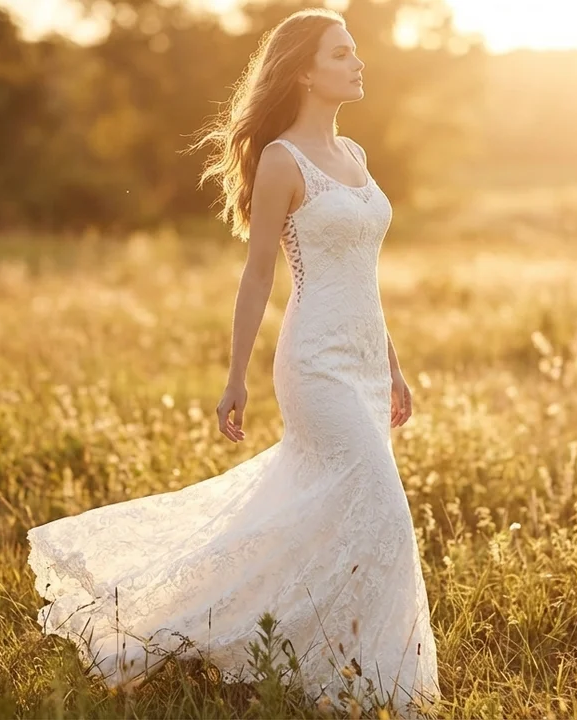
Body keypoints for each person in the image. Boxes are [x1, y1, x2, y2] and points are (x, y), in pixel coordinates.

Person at [26, 7, 440, 716]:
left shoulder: (360, 158)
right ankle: (371, 685)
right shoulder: (283, 160)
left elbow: (361, 279)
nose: (358, 63)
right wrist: (234, 377)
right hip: (314, 364)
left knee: (334, 514)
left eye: (355, 52)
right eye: (342, 54)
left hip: (368, 361)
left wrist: (393, 365)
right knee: (382, 510)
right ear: (305, 70)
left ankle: (328, 662)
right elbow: (257, 277)